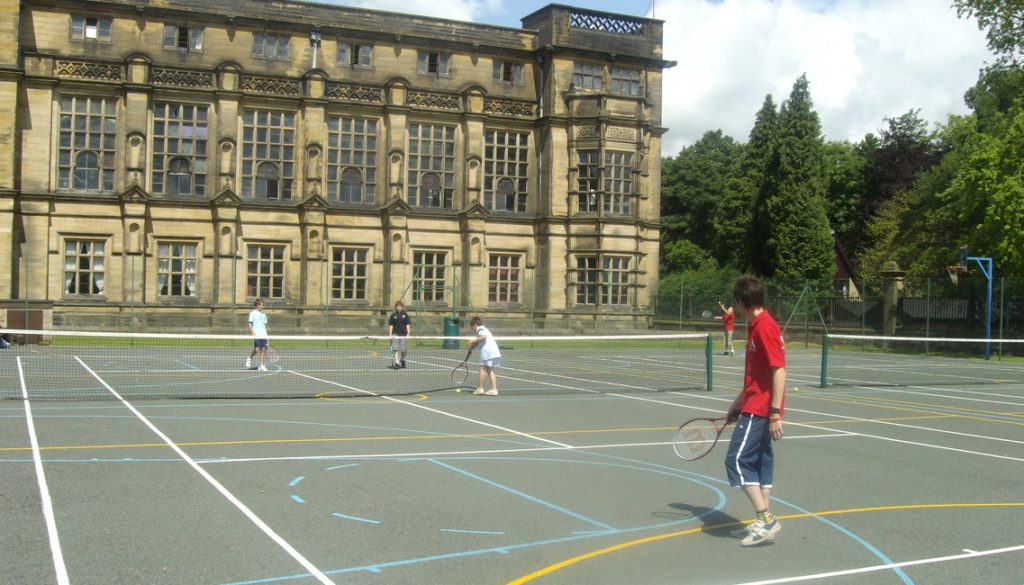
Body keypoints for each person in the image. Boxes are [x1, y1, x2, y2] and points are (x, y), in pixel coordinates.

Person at [724, 275, 786, 547]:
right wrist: (738, 403)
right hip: (753, 404)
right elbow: (757, 375)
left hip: (761, 409)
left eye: (736, 303)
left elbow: (778, 370)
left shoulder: (764, 328)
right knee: (760, 462)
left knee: (736, 460)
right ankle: (763, 522)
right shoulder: (756, 326)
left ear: (741, 302)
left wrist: (774, 413)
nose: (735, 308)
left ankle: (766, 518)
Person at [467, 316, 500, 396]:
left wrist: (473, 340)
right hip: (494, 351)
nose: (472, 329)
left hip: (487, 351)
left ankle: (480, 388)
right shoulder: (484, 329)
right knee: (490, 369)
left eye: (472, 327)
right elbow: (479, 341)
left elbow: (483, 337)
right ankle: (494, 390)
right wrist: (471, 347)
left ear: (475, 324)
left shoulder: (480, 329)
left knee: (482, 368)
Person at [245, 298, 269, 372]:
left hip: (263, 335)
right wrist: (252, 332)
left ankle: (261, 365)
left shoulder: (264, 314)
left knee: (263, 350)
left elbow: (264, 325)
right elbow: (249, 323)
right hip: (256, 335)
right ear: (258, 305)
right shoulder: (253, 313)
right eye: (262, 305)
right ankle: (250, 358)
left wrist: (266, 336)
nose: (263, 306)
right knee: (257, 349)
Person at [387, 301, 412, 369]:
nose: (399, 308)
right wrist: (390, 335)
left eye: (400, 306)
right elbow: (391, 325)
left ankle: (403, 360)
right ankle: (397, 363)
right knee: (395, 348)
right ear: (396, 307)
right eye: (398, 307)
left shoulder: (405, 314)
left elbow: (408, 324)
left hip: (403, 334)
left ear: (402, 307)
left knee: (403, 349)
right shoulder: (393, 315)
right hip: (395, 334)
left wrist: (408, 333)